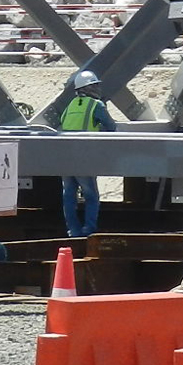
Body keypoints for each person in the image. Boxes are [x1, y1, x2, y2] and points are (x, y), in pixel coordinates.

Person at [58, 70, 112, 239]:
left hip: (66, 158)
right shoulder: (96, 105)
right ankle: (88, 230)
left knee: (69, 195)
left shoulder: (71, 105)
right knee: (91, 196)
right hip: (83, 158)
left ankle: (73, 231)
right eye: (94, 86)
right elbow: (112, 127)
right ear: (87, 88)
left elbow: (63, 124)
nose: (97, 89)